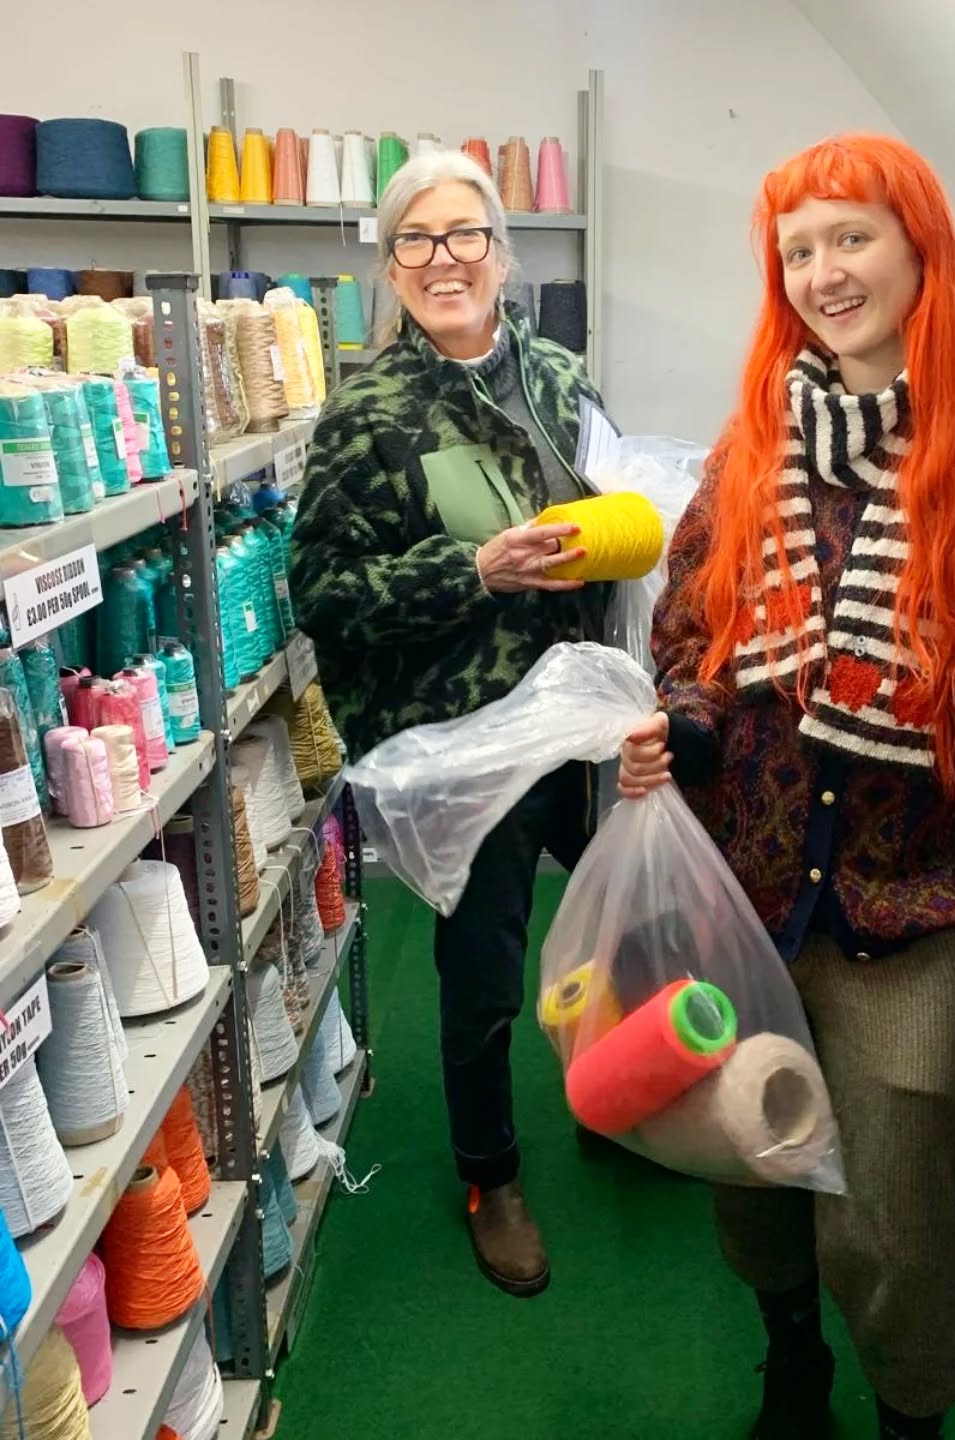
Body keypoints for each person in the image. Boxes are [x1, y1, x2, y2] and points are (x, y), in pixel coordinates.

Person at [619, 134, 955, 1440]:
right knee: (752, 1166)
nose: (826, 272)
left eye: (853, 238)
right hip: (748, 884)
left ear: (919, 245)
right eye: (799, 251)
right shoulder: (756, 444)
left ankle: (910, 1414)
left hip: (915, 892)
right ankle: (792, 1364)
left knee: (890, 1210)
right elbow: (693, 633)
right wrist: (678, 728)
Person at [290, 150, 613, 1298]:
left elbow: (614, 518)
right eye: (416, 240)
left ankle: (615, 1094)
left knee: (634, 912)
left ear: (502, 251)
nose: (444, 260)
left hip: (581, 708)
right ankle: (491, 1172)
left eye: (464, 234)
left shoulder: (564, 377)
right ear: (390, 266)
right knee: (481, 973)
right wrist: (472, 570)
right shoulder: (364, 412)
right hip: (466, 738)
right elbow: (321, 595)